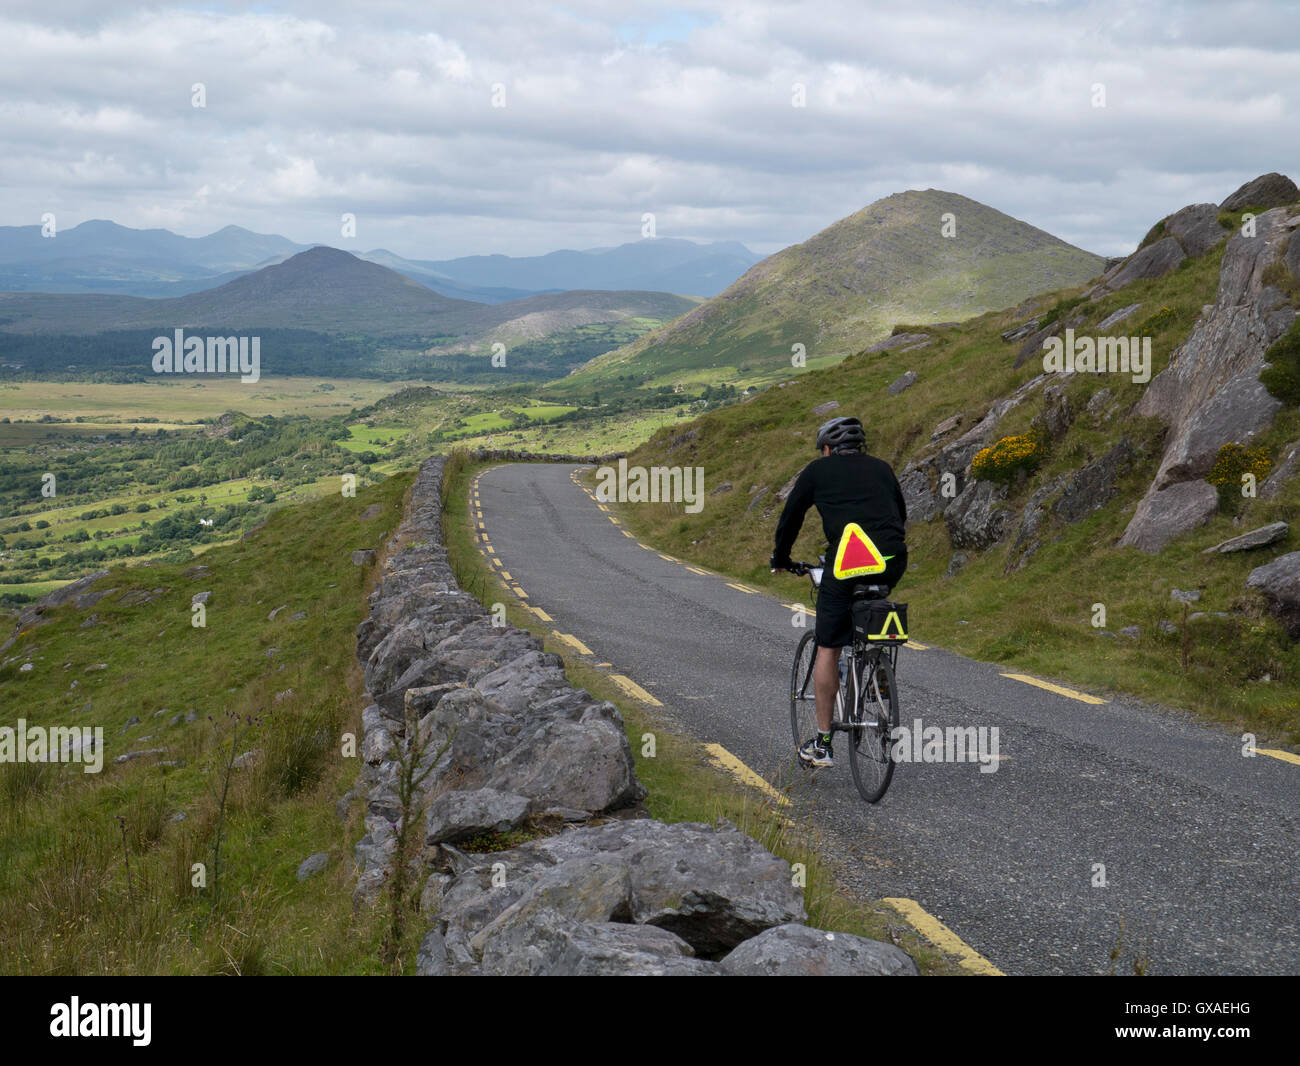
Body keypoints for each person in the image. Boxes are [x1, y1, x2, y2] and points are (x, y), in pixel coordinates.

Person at [769, 415, 908, 767]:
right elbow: (900, 514)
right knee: (873, 606)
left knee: (828, 646)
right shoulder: (882, 468)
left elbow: (791, 517)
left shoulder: (818, 471)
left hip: (847, 562)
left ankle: (823, 743)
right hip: (892, 559)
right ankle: (877, 662)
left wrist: (781, 558)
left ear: (828, 449)